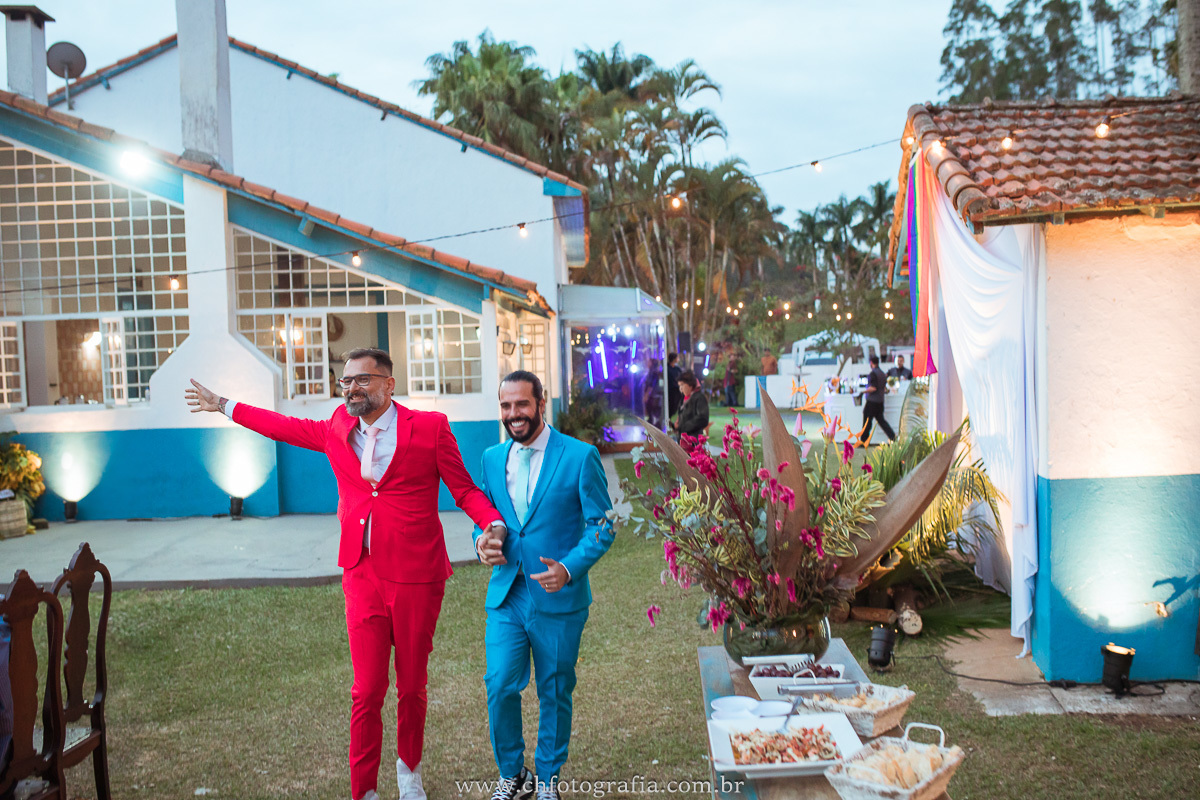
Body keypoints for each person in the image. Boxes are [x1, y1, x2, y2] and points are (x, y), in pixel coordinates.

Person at [186, 348, 504, 800]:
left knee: (411, 686)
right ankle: (364, 790)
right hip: (361, 573)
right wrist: (223, 404)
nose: (352, 388)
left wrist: (492, 523)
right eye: (346, 381)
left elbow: (464, 488)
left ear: (388, 384)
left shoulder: (430, 428)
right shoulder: (337, 426)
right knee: (366, 690)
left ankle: (409, 772)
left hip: (416, 575)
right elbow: (282, 426)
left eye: (362, 380)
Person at [473, 371, 614, 800]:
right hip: (508, 594)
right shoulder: (491, 458)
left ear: (541, 402)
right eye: (506, 406)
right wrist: (481, 541)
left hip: (559, 596)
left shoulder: (579, 456)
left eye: (521, 404)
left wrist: (569, 568)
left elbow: (602, 526)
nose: (513, 414)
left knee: (554, 689)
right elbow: (486, 517)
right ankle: (513, 776)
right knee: (500, 684)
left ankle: (549, 779)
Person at [861, 354, 896, 445]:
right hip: (880, 401)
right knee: (881, 421)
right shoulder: (882, 374)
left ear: (871, 363)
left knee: (867, 421)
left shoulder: (873, 374)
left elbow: (873, 388)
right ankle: (892, 437)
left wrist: (863, 392)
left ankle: (863, 440)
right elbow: (883, 388)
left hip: (872, 402)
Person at [671, 370, 710, 440]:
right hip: (683, 439)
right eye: (679, 386)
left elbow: (703, 419)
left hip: (693, 440)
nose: (680, 389)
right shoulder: (683, 399)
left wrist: (683, 426)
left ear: (690, 384)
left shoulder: (699, 398)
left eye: (682, 385)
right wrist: (676, 426)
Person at [642, 358, 664, 429]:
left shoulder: (653, 372)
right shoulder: (651, 372)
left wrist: (646, 395)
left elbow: (651, 385)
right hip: (652, 395)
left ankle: (652, 428)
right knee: (650, 412)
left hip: (652, 395)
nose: (647, 363)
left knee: (651, 412)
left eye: (649, 362)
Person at [666, 352, 683, 418]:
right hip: (670, 390)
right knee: (671, 404)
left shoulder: (677, 369)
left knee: (676, 405)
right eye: (677, 358)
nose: (678, 359)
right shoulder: (667, 368)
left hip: (677, 390)